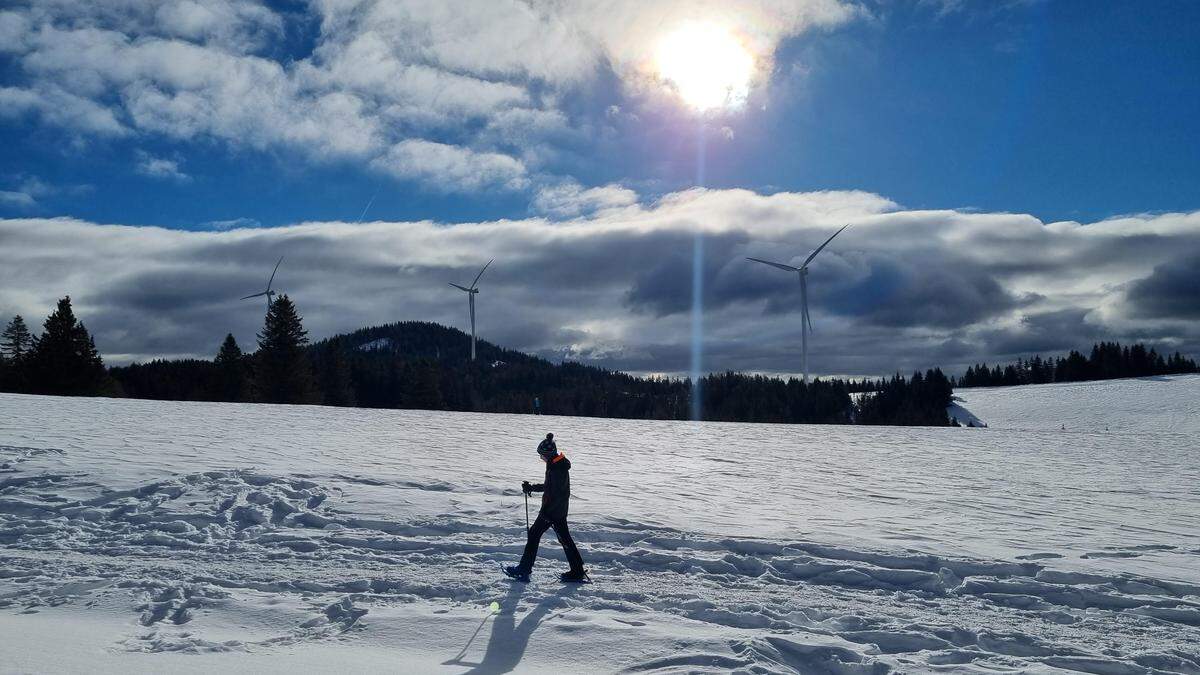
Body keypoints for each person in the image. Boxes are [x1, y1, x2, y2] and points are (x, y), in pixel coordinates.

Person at [504, 434, 587, 583]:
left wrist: (548, 512)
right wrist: (532, 488)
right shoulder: (557, 465)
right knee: (565, 539)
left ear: (547, 455)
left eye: (541, 455)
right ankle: (577, 570)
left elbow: (554, 492)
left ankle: (524, 569)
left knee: (534, 535)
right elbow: (550, 488)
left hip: (552, 511)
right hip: (559, 510)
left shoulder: (556, 469)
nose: (540, 458)